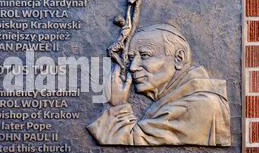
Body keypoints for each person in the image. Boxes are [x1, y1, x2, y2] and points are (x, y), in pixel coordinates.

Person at [87, 24, 232, 146]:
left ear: (179, 58)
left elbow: (128, 144)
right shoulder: (178, 100)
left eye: (145, 56)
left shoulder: (199, 105)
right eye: (131, 58)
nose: (133, 67)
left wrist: (118, 106)